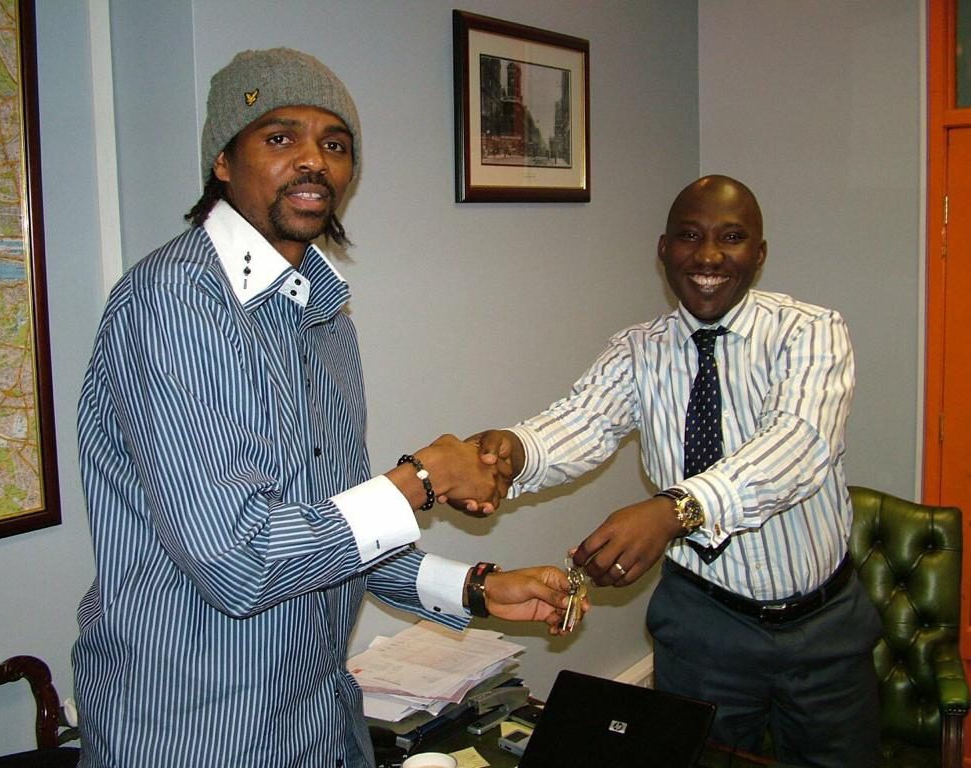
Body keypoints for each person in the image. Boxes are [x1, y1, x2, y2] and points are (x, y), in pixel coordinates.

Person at [72, 48, 574, 768]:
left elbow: (329, 530)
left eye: (335, 145)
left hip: (315, 717)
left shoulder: (322, 308)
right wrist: (423, 479)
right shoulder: (176, 303)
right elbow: (239, 560)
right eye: (281, 137)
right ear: (223, 160)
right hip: (196, 729)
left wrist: (474, 588)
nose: (314, 161)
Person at [465, 175, 881, 767]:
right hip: (702, 624)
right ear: (664, 250)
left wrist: (675, 510)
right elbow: (581, 422)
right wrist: (515, 451)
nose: (708, 256)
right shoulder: (638, 350)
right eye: (689, 236)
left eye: (731, 238)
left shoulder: (810, 331)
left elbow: (799, 445)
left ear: (759, 253)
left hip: (823, 627)